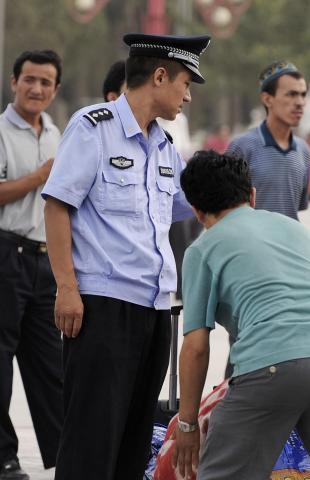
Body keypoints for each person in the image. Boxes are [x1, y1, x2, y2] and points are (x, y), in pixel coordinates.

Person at [42, 33, 210, 479]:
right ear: (159, 76)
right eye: (185, 84)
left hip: (154, 310)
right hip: (101, 309)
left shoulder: (165, 146)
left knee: (135, 439)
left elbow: (194, 208)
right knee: (91, 440)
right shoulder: (93, 128)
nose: (188, 96)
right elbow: (57, 206)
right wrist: (66, 289)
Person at [172, 151, 310, 480]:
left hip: (270, 366)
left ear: (197, 211)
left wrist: (187, 423)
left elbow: (196, 347)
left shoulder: (203, 248)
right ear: (252, 196)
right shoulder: (298, 232)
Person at [0, 49, 62, 480]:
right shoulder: (1, 131)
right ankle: (4, 458)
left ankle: (65, 454)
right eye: (29, 80)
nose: (36, 88)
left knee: (52, 365)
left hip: (46, 260)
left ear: (55, 90)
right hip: (6, 254)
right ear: (13, 82)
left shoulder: (58, 133)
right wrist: (41, 177)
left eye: (45, 82)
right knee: (0, 364)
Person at [225, 61, 310, 220]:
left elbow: (295, 210)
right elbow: (223, 208)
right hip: (249, 243)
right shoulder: (242, 147)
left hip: (288, 243)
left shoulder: (303, 150)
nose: (300, 102)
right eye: (291, 94)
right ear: (267, 99)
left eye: (303, 94)